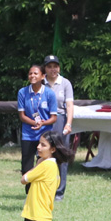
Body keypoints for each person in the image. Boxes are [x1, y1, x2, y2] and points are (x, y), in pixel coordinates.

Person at [17, 64, 58, 193]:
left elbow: (54, 117)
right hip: (28, 134)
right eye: (30, 73)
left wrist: (42, 124)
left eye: (35, 73)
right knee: (26, 166)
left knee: (44, 164)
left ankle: (44, 192)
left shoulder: (49, 93)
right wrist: (35, 123)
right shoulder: (22, 92)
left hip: (44, 135)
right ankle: (29, 194)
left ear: (42, 76)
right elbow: (22, 116)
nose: (32, 76)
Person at [42, 55, 76, 200]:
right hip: (44, 120)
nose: (53, 69)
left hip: (61, 120)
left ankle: (59, 191)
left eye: (55, 66)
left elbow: (69, 105)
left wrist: (68, 123)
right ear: (45, 69)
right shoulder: (40, 83)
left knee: (61, 155)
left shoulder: (65, 83)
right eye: (49, 66)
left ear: (59, 68)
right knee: (43, 155)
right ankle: (44, 189)